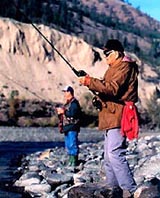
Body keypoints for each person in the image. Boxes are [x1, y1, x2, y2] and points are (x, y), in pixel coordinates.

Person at [79, 39, 139, 197]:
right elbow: (108, 90)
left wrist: (90, 82)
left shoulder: (125, 67)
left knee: (115, 152)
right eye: (103, 54)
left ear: (117, 53)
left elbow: (112, 88)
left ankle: (130, 189)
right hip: (110, 115)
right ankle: (113, 188)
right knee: (108, 155)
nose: (105, 57)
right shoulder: (113, 68)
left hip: (119, 115)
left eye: (107, 53)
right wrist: (97, 96)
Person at [56, 86, 81, 167]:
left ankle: (74, 161)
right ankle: (70, 160)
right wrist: (60, 112)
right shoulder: (67, 103)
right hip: (67, 127)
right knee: (68, 144)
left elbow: (73, 114)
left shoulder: (74, 103)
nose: (64, 94)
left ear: (70, 92)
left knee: (72, 144)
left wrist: (63, 111)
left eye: (65, 92)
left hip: (72, 127)